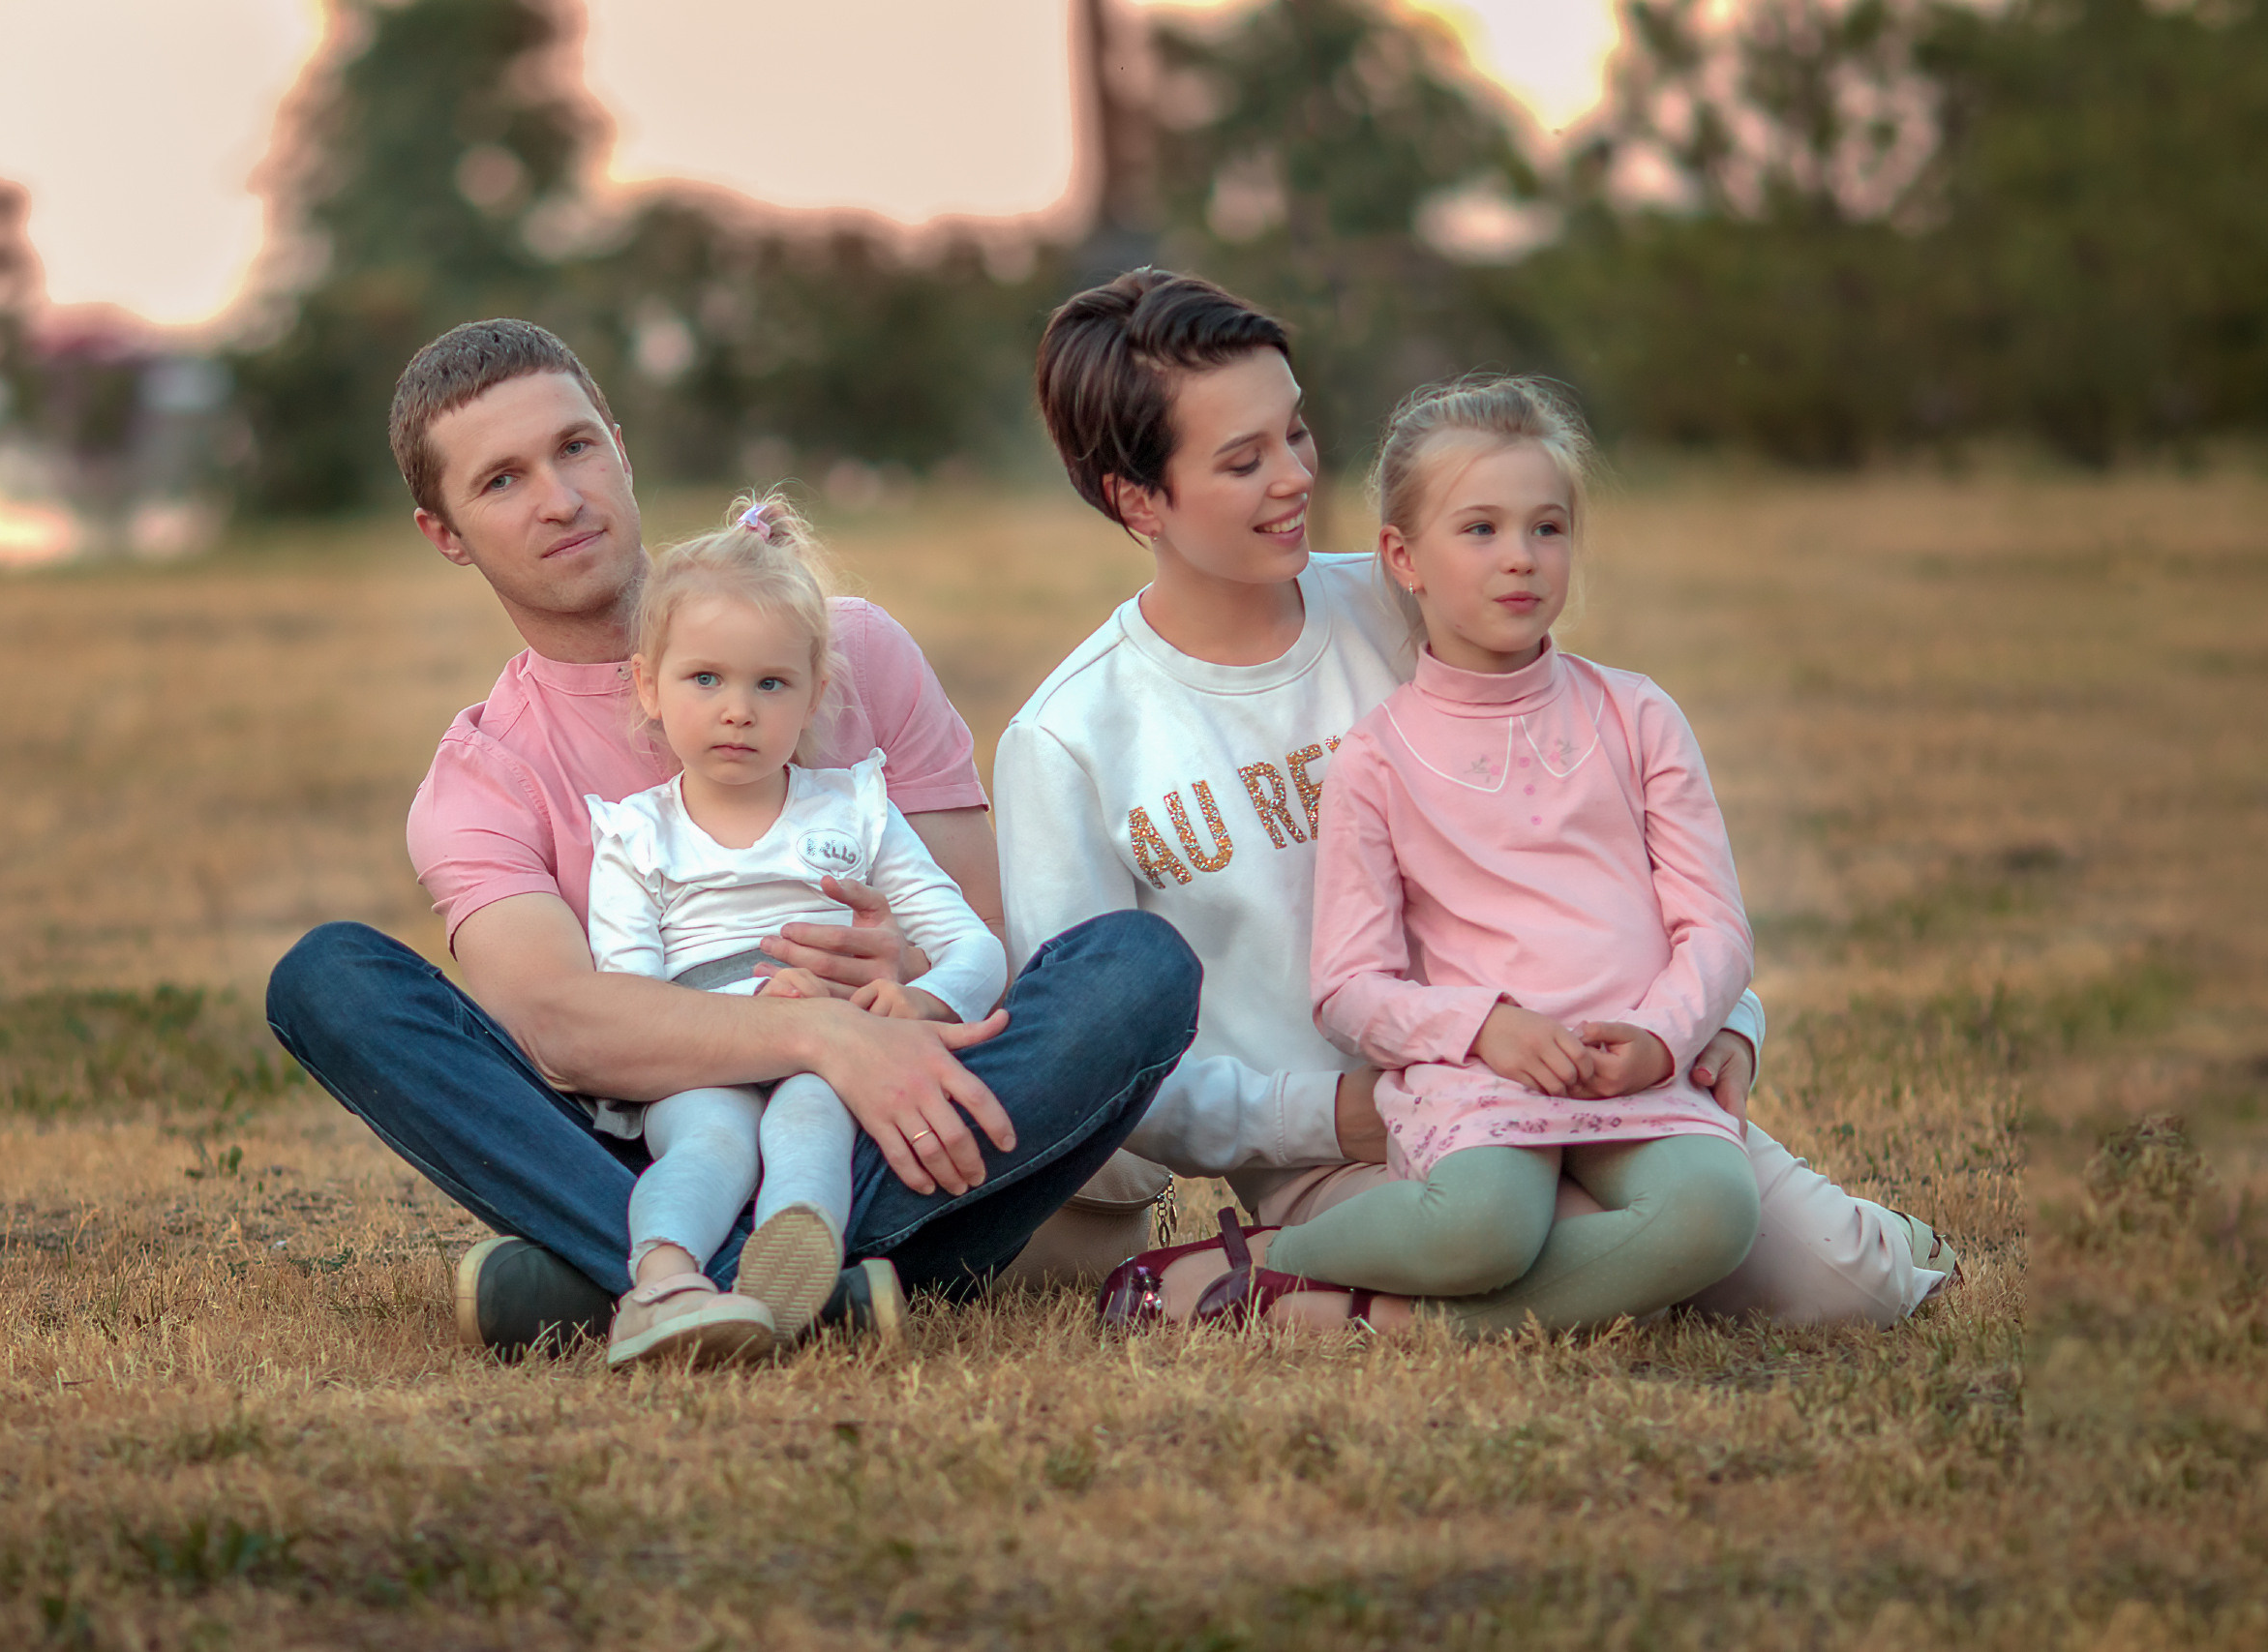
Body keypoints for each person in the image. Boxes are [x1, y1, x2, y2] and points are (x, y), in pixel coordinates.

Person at [1000, 270, 1958, 1331]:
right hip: (1355, 1143)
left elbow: (1593, 813)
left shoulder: (1406, 589)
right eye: (1242, 460)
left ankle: (1359, 1316)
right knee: (1510, 1237)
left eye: (1297, 434)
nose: (1295, 480)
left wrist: (1716, 1018)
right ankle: (1277, 1279)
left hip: (1590, 1077)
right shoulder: (1068, 742)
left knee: (1851, 1289)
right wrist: (1331, 1111)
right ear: (1138, 499)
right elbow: (1109, 1073)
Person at [264, 318, 1199, 1359]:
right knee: (329, 979)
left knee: (1137, 966)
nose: (561, 499)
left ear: (618, 446)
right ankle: (823, 1280)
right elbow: (564, 1030)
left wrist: (903, 973)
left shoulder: (852, 654)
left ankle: (637, 1275)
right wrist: (815, 1035)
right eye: (501, 482)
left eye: (575, 448)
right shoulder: (481, 779)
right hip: (646, 1134)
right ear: (445, 532)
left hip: (880, 1108)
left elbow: (985, 935)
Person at [1208, 375, 1761, 1331]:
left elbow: (1712, 923)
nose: (1521, 560)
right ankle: (1262, 1266)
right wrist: (1485, 1030)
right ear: (1403, 556)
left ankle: (1396, 1328)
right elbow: (1347, 986)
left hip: (1633, 1070)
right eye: (1480, 530)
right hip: (1484, 1079)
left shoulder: (1635, 715)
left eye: (1546, 529)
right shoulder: (1378, 760)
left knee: (1715, 1210)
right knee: (1484, 1231)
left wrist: (1663, 1035)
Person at [585, 496, 1008, 1364]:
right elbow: (625, 997)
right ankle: (662, 1281)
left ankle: (790, 1270)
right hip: (699, 1060)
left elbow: (977, 947)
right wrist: (754, 1023)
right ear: (647, 686)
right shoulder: (638, 835)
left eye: (770, 683)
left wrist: (917, 1001)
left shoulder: (854, 811)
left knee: (813, 1116)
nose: (738, 709)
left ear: (815, 692)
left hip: (837, 1052)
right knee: (714, 1142)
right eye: (706, 678)